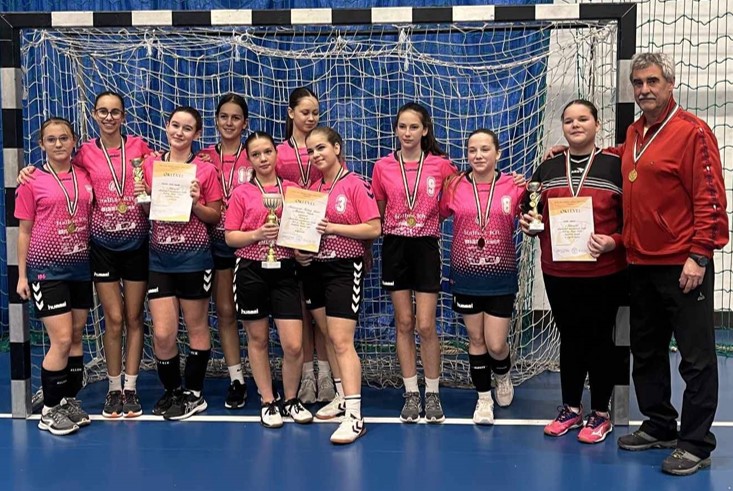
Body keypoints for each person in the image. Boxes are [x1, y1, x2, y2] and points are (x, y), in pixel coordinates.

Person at [615, 53, 728, 475]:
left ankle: (696, 443)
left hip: (682, 265)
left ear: (670, 83)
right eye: (638, 82)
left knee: (695, 358)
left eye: (652, 81)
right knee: (646, 350)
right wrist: (575, 151)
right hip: (639, 262)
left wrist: (699, 255)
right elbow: (628, 165)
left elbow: (711, 199)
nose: (644, 89)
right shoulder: (634, 132)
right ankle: (660, 423)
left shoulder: (692, 132)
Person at [18, 92, 153, 418]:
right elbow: (52, 176)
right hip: (100, 250)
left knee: (133, 318)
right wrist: (27, 171)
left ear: (123, 116)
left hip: (134, 245)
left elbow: (165, 170)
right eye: (103, 111)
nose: (109, 117)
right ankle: (110, 389)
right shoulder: (83, 156)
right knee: (112, 320)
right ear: (93, 115)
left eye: (115, 112)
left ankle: (130, 388)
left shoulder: (141, 149)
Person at [520, 100, 625, 443]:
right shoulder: (548, 168)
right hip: (558, 270)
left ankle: (601, 414)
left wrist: (614, 241)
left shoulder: (615, 165)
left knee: (600, 339)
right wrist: (528, 224)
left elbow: (632, 218)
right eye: (568, 120)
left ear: (597, 124)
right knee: (570, 338)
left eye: (583, 119)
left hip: (604, 270)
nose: (575, 125)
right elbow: (531, 210)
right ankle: (571, 408)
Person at [134, 106, 222, 421]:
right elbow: (149, 213)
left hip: (194, 259)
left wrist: (196, 203)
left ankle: (194, 394)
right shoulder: (150, 165)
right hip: (160, 260)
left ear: (197, 134)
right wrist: (144, 197)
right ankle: (173, 390)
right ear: (167, 127)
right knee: (162, 333)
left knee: (197, 327)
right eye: (175, 125)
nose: (179, 132)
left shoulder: (205, 170)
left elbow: (215, 216)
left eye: (187, 128)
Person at [371, 102, 457, 423]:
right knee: (404, 322)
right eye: (402, 126)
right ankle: (411, 393)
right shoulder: (382, 167)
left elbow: (453, 201)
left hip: (426, 247)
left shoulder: (441, 166)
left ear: (425, 130)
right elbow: (380, 211)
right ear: (396, 129)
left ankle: (432, 393)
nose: (407, 133)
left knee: (426, 324)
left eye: (414, 127)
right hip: (395, 246)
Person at [297, 126, 381, 444]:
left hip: (345, 268)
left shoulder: (355, 184)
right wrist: (301, 253)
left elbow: (374, 228)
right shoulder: (313, 190)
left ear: (336, 147)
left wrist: (334, 227)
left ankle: (355, 417)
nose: (316, 155)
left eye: (321, 148)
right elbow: (306, 234)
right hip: (316, 268)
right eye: (310, 151)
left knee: (343, 341)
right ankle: (342, 396)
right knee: (329, 336)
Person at [225, 131, 313, 428]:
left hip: (285, 271)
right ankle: (267, 400)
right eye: (256, 154)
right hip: (251, 269)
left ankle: (290, 399)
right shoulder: (242, 193)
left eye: (267, 152)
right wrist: (257, 234)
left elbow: (302, 232)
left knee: (294, 345)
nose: (262, 159)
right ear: (249, 160)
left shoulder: (292, 191)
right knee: (258, 339)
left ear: (276, 154)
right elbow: (230, 237)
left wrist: (301, 251)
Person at [16, 117, 94, 434]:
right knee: (60, 339)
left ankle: (67, 400)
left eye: (64, 138)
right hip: (45, 271)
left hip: (80, 268)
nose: (58, 144)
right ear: (41, 144)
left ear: (74, 141)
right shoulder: (31, 181)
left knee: (75, 338)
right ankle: (49, 410)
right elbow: (24, 231)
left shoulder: (84, 175)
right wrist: (22, 276)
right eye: (51, 139)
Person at [440, 129, 524, 425]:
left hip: (501, 275)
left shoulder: (514, 186)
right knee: (476, 339)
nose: (478, 155)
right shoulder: (454, 186)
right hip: (466, 275)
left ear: (497, 153)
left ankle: (502, 374)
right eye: (472, 150)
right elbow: (438, 214)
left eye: (485, 149)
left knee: (496, 344)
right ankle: (484, 399)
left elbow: (531, 217)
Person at [276, 87, 335, 405]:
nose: (310, 118)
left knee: (321, 311)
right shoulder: (278, 152)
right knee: (299, 312)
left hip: (323, 237)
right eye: (304, 112)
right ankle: (306, 375)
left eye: (315, 112)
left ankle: (326, 375)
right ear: (291, 113)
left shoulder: (322, 146)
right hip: (289, 239)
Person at [198, 93, 251, 409]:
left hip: (251, 243)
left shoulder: (256, 154)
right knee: (226, 312)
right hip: (217, 243)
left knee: (257, 316)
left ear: (245, 123)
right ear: (216, 121)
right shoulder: (202, 158)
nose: (229, 123)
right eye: (224, 117)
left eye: (235, 117)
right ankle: (237, 379)